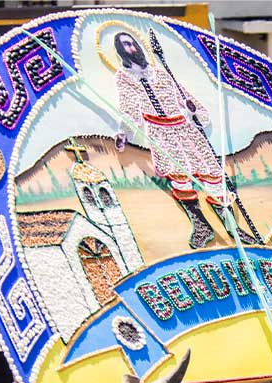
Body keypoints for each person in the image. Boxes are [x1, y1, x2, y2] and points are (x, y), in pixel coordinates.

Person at [111, 30, 259, 246]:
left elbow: (183, 95)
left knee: (213, 175)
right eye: (125, 46)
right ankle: (201, 227)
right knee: (180, 178)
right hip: (160, 132)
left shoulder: (160, 73)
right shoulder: (124, 79)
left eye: (132, 44)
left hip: (184, 128)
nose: (131, 48)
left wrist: (195, 110)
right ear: (120, 52)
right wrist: (124, 131)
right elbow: (129, 106)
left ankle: (233, 229)